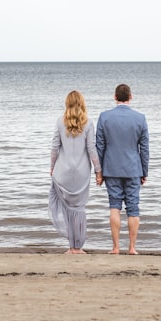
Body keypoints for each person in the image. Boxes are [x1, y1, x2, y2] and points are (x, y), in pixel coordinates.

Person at [95, 83, 149, 255]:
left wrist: (99, 171)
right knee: (133, 208)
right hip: (133, 168)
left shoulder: (104, 117)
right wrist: (144, 171)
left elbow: (100, 146)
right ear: (130, 97)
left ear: (115, 97)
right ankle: (132, 247)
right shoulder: (140, 118)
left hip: (111, 168)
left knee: (114, 206)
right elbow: (144, 148)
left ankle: (116, 247)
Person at [49, 90, 101, 254]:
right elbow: (92, 149)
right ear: (82, 104)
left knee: (67, 209)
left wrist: (51, 167)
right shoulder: (89, 122)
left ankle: (71, 247)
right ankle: (78, 248)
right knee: (79, 209)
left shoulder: (60, 121)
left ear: (67, 103)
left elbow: (54, 148)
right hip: (81, 173)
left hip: (62, 172)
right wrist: (98, 171)